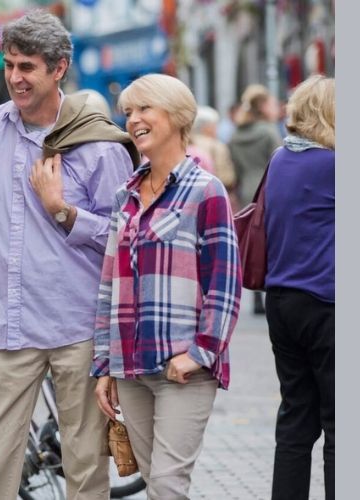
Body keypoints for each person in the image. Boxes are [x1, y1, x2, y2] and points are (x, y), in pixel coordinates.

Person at [0, 10, 135, 499]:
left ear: (58, 68)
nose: (15, 78)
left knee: (85, 464)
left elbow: (119, 234)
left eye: (27, 67)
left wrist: (62, 211)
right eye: (9, 65)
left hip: (76, 327)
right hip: (6, 326)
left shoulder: (98, 145)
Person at [92, 74, 242, 499]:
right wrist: (104, 364)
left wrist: (199, 354)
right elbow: (109, 284)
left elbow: (225, 282)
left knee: (167, 484)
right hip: (130, 367)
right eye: (128, 112)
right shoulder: (126, 196)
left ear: (176, 117)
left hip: (183, 370)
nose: (133, 120)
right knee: (156, 481)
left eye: (144, 109)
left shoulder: (205, 191)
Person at [263, 74, 334, 500]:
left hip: (281, 301)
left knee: (295, 420)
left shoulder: (279, 160)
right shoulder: (333, 165)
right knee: (340, 424)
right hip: (327, 302)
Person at [228, 83, 281, 314]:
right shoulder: (269, 131)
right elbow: (280, 160)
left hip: (246, 189)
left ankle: (257, 296)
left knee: (254, 238)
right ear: (262, 105)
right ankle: (270, 284)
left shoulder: (235, 135)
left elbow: (235, 168)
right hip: (269, 187)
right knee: (273, 240)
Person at [190, 105, 239, 211]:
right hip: (215, 199)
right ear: (207, 127)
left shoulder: (186, 145)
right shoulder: (217, 146)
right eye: (215, 125)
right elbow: (227, 177)